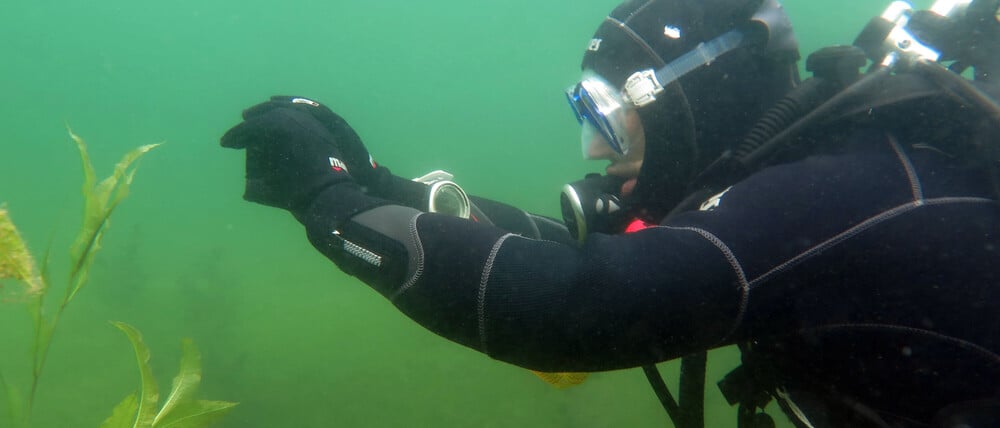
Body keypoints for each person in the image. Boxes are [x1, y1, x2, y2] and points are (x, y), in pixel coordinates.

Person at [221, 0, 1000, 426]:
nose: (594, 155)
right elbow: (592, 257)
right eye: (583, 119)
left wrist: (324, 203)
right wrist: (376, 184)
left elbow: (584, 304)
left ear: (689, 105)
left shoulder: (838, 190)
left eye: (606, 118)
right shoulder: (807, 182)